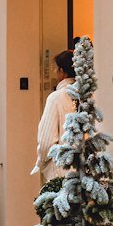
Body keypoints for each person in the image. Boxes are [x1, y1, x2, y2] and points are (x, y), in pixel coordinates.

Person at [33, 47, 78, 183]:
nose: (54, 71)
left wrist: (40, 161)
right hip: (83, 170)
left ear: (62, 72)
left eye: (56, 68)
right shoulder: (88, 96)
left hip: (60, 169)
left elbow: (46, 140)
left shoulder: (56, 98)